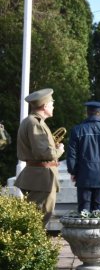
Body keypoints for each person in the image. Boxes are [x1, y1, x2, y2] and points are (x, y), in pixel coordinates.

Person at [15, 88, 64, 226]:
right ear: (45, 106)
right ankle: (32, 246)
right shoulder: (34, 123)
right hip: (41, 177)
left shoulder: (32, 121)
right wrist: (59, 150)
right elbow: (44, 153)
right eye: (52, 103)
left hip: (38, 176)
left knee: (37, 215)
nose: (53, 106)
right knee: (39, 216)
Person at [66, 101, 100, 213]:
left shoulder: (77, 130)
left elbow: (71, 155)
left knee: (84, 212)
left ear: (87, 113)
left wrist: (73, 172)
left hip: (83, 176)